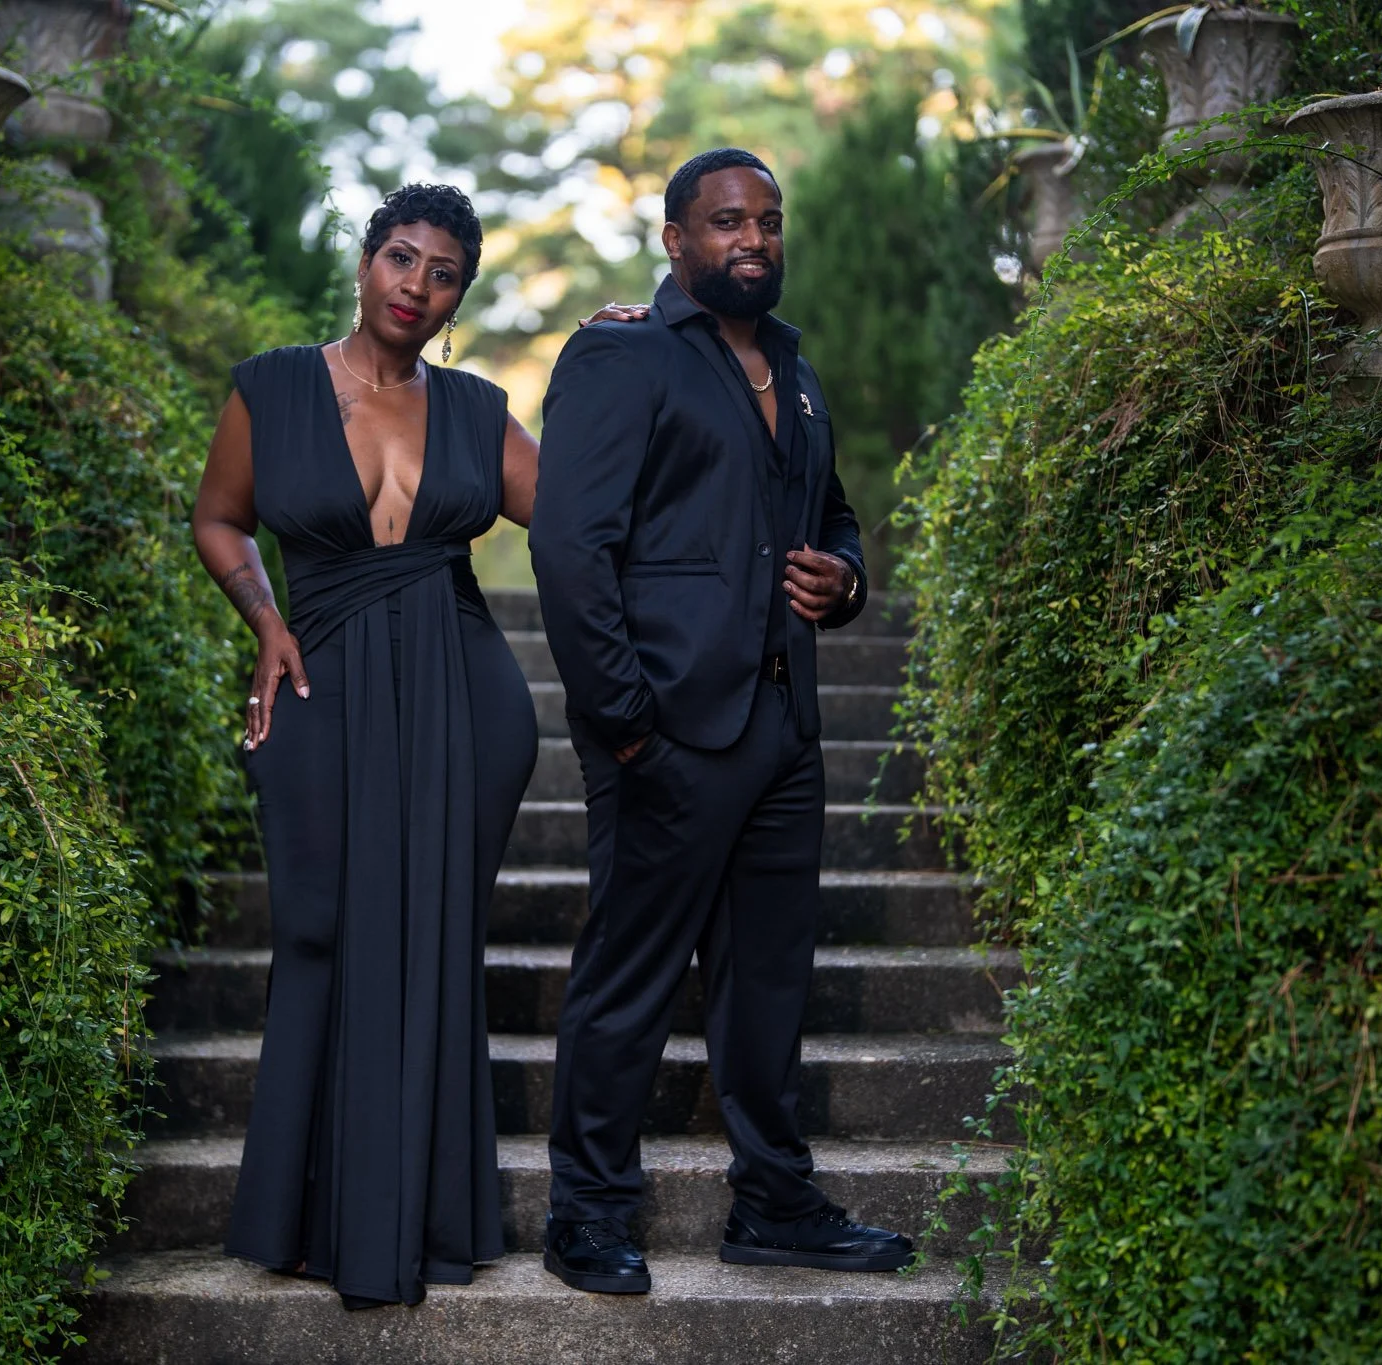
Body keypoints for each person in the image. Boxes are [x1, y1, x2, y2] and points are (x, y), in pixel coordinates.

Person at [190, 183, 646, 1309]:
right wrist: (265, 619)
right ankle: (314, 1211)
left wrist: (608, 364)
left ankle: (425, 1220)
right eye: (401, 257)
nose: (416, 285)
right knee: (317, 929)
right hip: (319, 677)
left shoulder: (480, 411)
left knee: (433, 943)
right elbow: (218, 517)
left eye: (443, 274)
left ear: (458, 298)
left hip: (463, 698)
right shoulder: (272, 387)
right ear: (365, 262)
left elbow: (585, 512)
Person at [528, 147, 911, 1295]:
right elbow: (569, 549)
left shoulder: (793, 366)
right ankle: (586, 1213)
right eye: (726, 221)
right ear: (674, 240)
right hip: (667, 726)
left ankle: (774, 1205)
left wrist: (845, 578)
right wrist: (625, 722)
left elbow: (831, 515)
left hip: (784, 728)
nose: (752, 238)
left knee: (769, 981)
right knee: (629, 977)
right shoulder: (618, 354)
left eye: (768, 220)